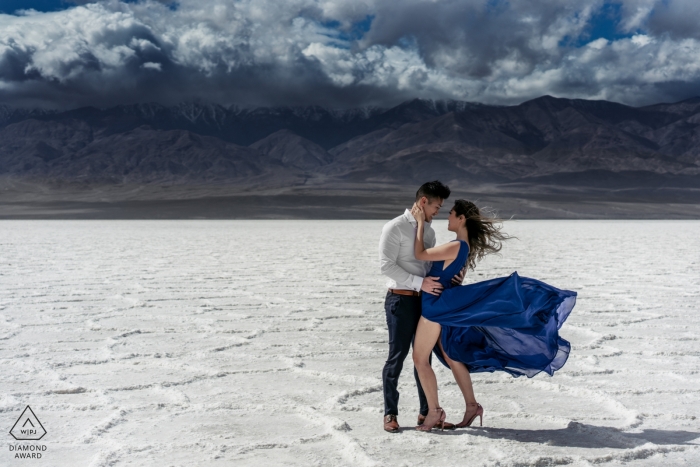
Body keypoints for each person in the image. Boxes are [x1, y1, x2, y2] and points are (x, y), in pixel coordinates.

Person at [410, 199, 577, 431]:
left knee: (420, 359)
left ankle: (434, 412)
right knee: (451, 355)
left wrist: (419, 221)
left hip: (436, 306)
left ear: (461, 219)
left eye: (451, 214)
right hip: (443, 301)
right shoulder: (464, 247)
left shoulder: (457, 245)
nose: (447, 218)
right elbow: (453, 276)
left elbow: (419, 253)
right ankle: (471, 406)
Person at [378, 180, 464, 433]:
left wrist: (449, 279)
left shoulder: (428, 231)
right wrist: (419, 283)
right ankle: (390, 414)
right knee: (397, 358)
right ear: (423, 201)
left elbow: (427, 265)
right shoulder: (394, 227)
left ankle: (426, 413)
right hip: (401, 299)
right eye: (436, 206)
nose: (438, 212)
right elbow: (386, 266)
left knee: (422, 358)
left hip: (424, 301)